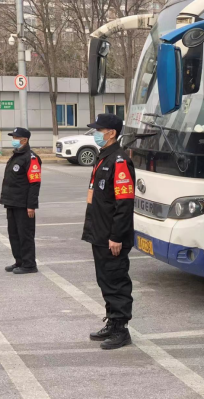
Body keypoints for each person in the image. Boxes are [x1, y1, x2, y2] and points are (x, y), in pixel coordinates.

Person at [82, 113, 135, 350]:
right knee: (105, 280)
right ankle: (112, 322)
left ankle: (121, 329)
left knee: (116, 282)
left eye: (99, 130)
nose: (96, 134)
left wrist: (116, 236)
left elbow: (124, 204)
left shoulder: (119, 161)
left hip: (112, 236)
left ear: (111, 133)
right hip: (100, 232)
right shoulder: (103, 157)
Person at [0, 127, 42, 275]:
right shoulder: (16, 155)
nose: (14, 140)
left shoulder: (31, 158)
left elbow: (34, 184)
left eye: (16, 138)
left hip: (23, 204)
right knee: (14, 234)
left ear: (24, 140)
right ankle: (20, 261)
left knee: (25, 235)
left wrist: (31, 205)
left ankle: (29, 264)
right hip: (12, 201)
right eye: (13, 137)